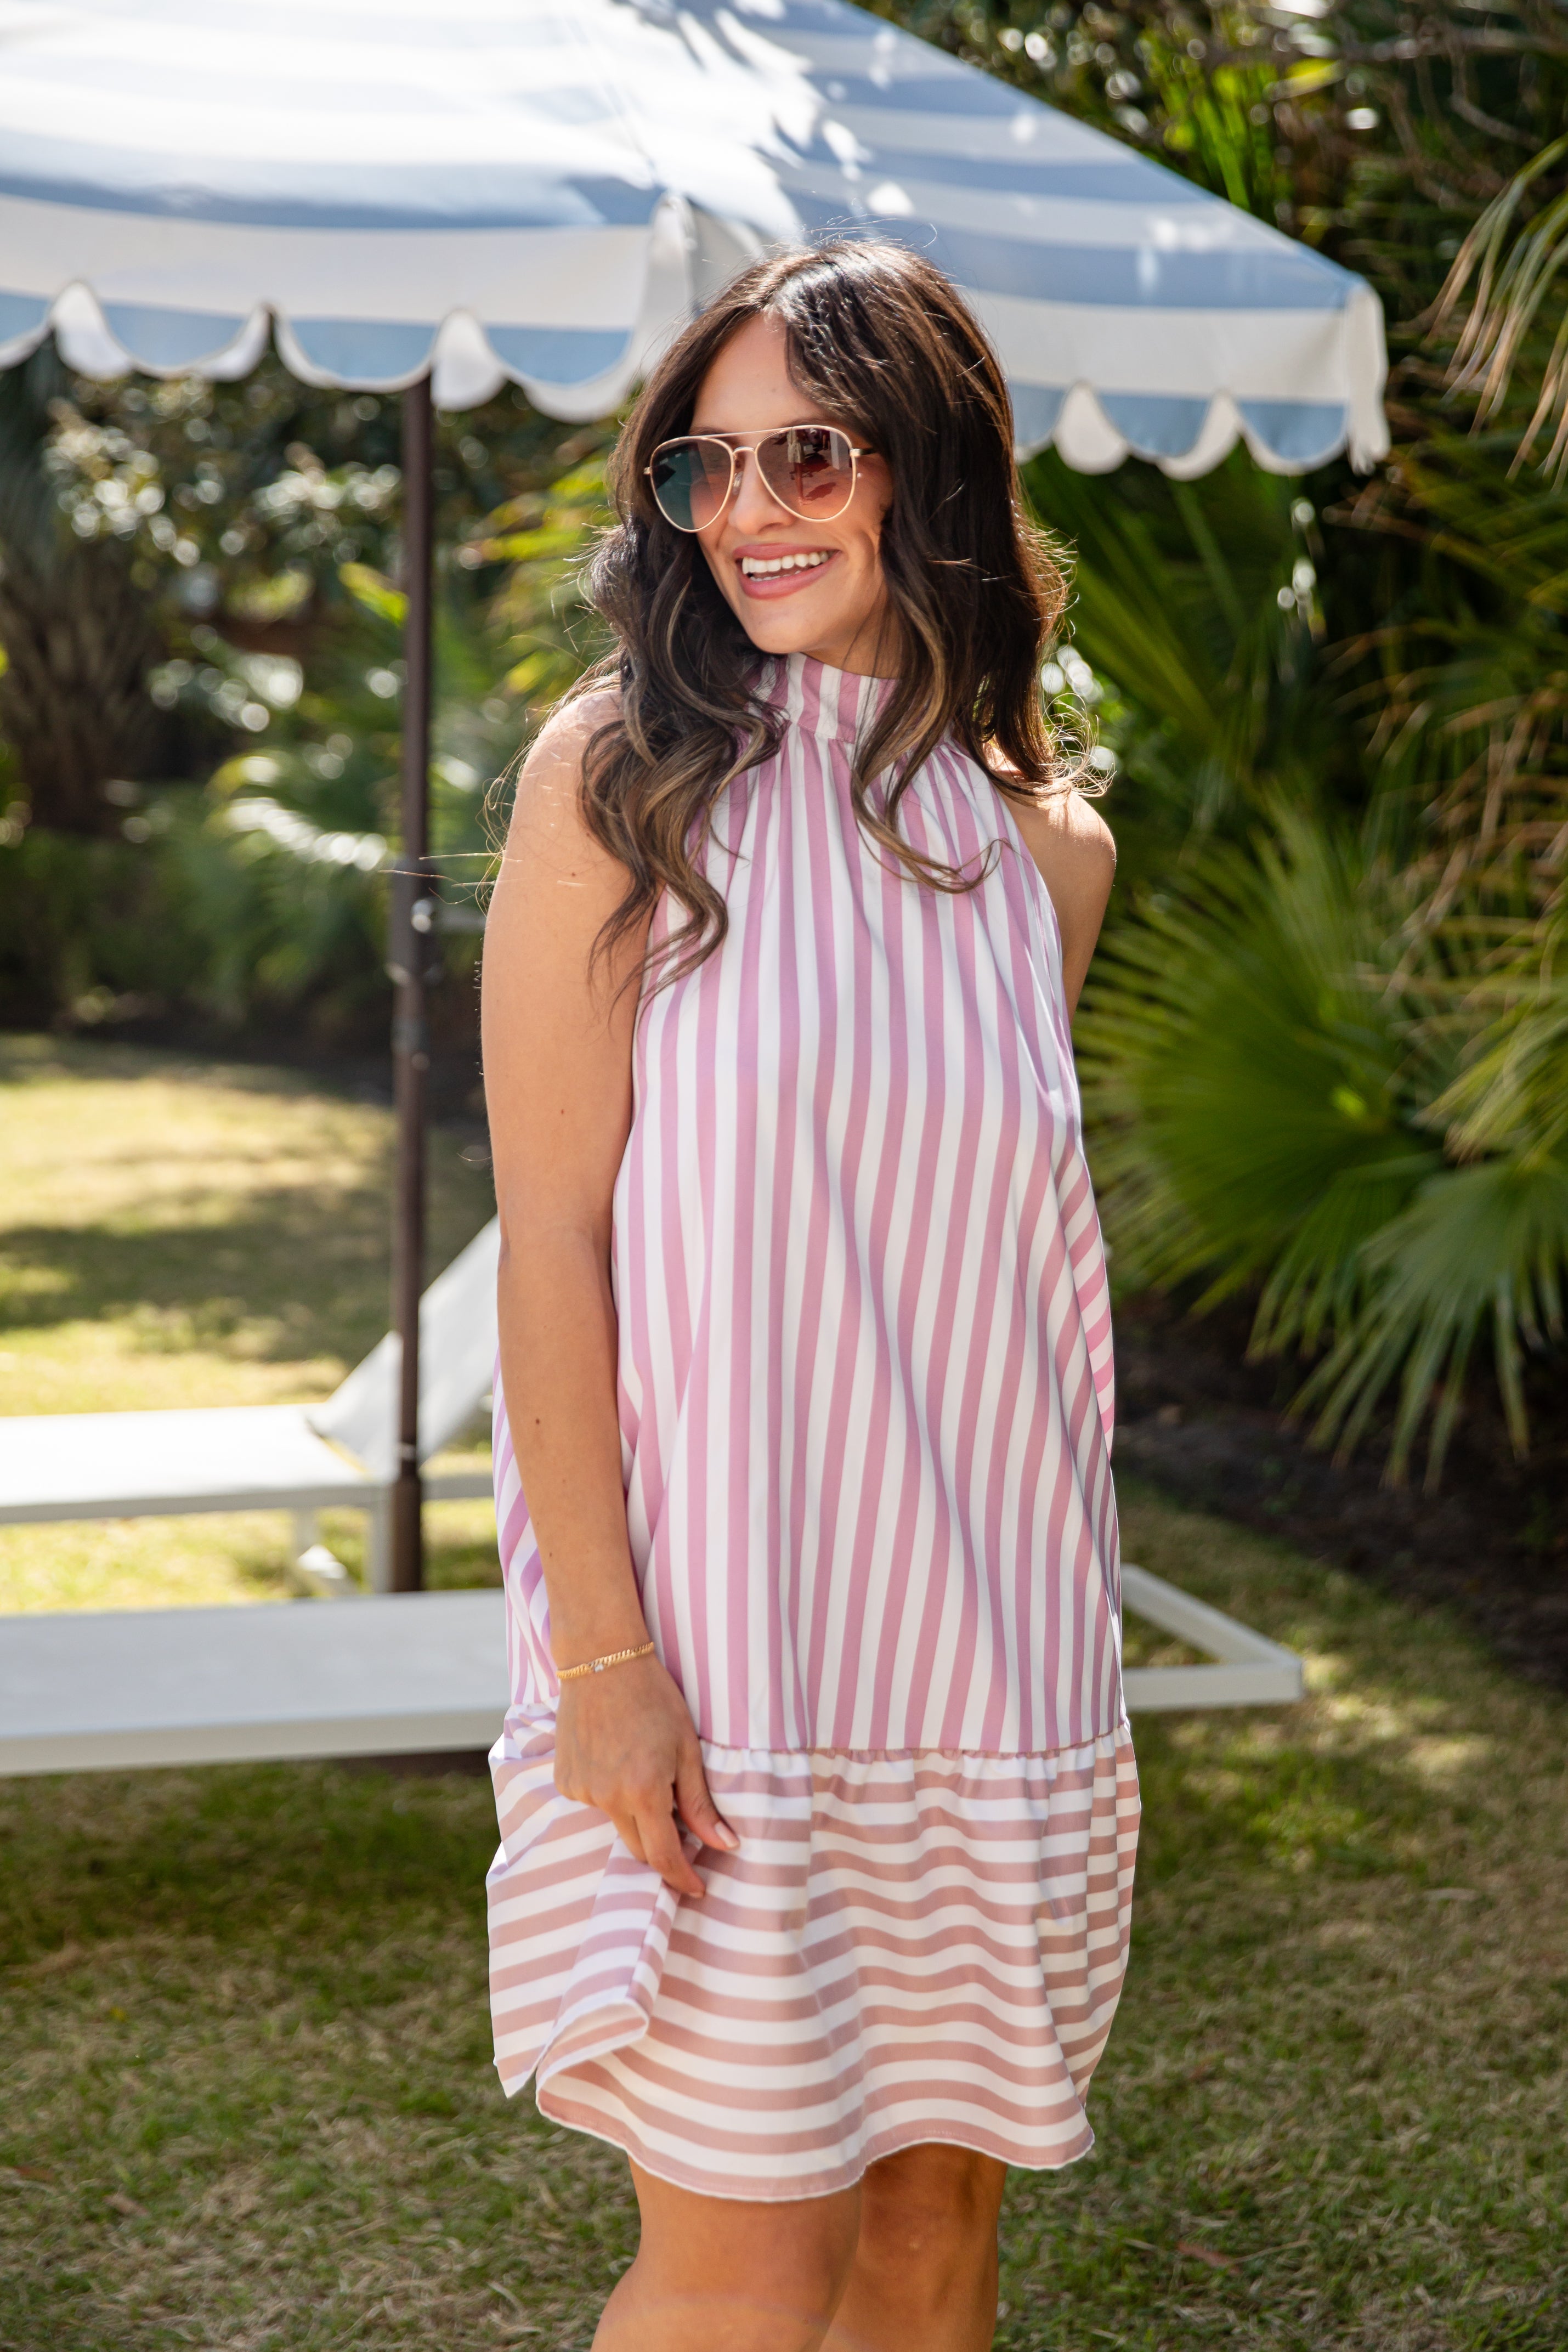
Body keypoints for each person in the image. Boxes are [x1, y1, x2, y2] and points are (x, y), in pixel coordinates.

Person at [480, 239, 1139, 2352]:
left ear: (929, 469)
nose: (747, 510)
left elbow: (962, 1261)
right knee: (748, 2263)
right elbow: (552, 1240)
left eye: (808, 456)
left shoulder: (1046, 848)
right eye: (708, 466)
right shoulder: (620, 778)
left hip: (997, 1660)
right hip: (726, 1657)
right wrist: (604, 1660)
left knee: (937, 2235)